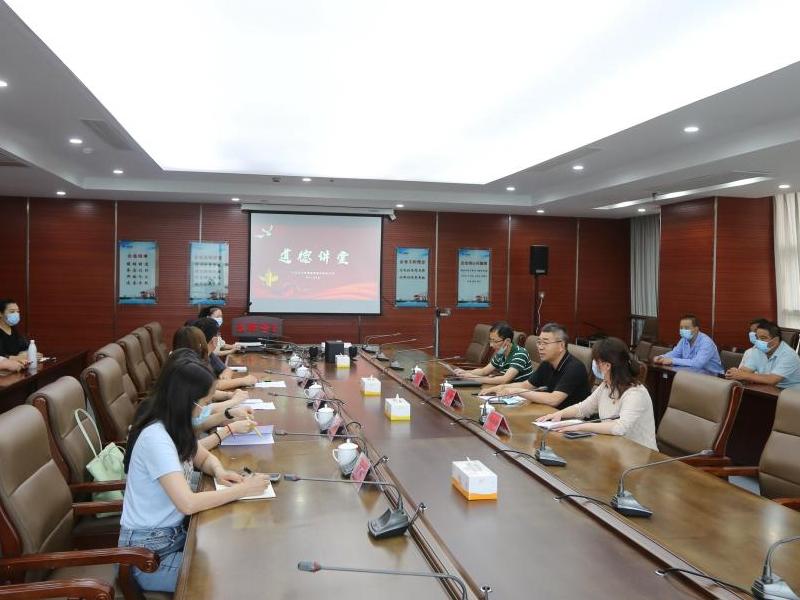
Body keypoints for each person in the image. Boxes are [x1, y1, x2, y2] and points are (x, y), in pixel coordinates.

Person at [119, 351, 269, 593]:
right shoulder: (156, 438)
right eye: (205, 402)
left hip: (174, 536)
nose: (205, 409)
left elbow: (202, 456)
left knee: (240, 558)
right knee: (233, 577)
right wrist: (244, 489)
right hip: (148, 556)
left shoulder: (175, 425)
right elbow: (188, 503)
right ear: (186, 401)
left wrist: (219, 471)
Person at [536, 337, 657, 450]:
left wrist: (579, 426)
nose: (593, 364)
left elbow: (619, 427)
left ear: (607, 365)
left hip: (640, 454)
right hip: (614, 448)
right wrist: (559, 414)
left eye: (596, 361)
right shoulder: (606, 385)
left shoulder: (636, 393)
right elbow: (583, 408)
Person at [483, 322, 590, 407]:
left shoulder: (574, 368)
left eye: (545, 343)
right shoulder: (547, 363)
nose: (540, 347)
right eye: (539, 342)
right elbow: (526, 385)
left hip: (574, 420)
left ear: (561, 345)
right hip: (549, 413)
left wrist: (518, 391)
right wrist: (497, 388)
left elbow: (554, 399)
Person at [725, 320, 800, 389]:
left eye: (763, 338)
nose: (758, 341)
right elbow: (744, 371)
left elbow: (772, 379)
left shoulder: (789, 355)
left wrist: (743, 375)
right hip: (767, 388)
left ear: (775, 340)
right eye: (757, 338)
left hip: (789, 393)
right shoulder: (757, 350)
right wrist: (734, 373)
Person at [453, 322, 533, 384]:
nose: (491, 345)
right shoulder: (501, 351)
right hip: (505, 389)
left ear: (507, 341)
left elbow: (505, 379)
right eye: (490, 340)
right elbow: (484, 371)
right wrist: (465, 373)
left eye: (495, 341)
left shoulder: (520, 354)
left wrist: (473, 378)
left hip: (519, 393)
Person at [192, 318, 257, 390]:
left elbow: (226, 369)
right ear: (214, 340)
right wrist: (243, 381)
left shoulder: (209, 354)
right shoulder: (194, 358)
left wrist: (226, 376)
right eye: (218, 335)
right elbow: (210, 387)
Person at [652, 314, 723, 374]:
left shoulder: (706, 342)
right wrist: (661, 357)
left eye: (686, 328)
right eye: (681, 328)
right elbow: (675, 353)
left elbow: (697, 364)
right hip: (692, 373)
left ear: (696, 329)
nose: (683, 330)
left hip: (713, 376)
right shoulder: (684, 340)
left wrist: (672, 360)